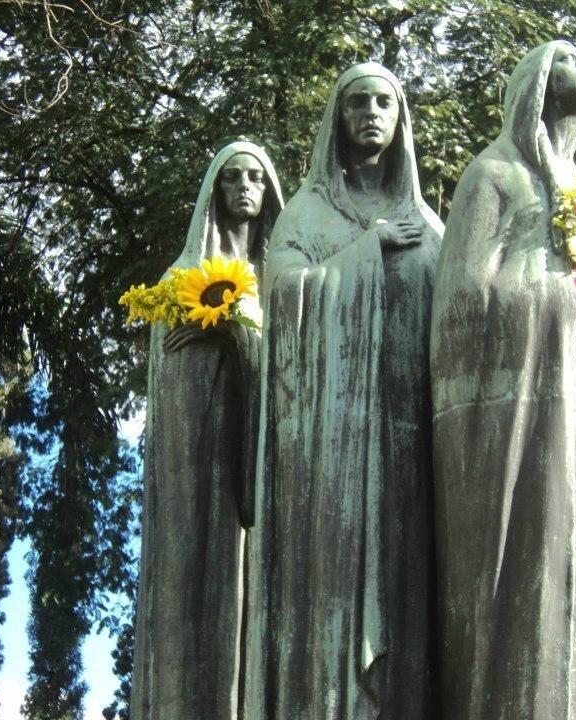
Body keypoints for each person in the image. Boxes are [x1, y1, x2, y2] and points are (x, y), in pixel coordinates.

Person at [429, 40, 576, 720]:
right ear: (539, 86)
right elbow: (460, 301)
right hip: (515, 414)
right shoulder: (493, 176)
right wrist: (561, 296)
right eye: (574, 61)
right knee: (531, 578)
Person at [244, 63, 442, 720]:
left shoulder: (431, 225)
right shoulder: (304, 213)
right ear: (338, 118)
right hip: (329, 452)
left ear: (400, 118)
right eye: (357, 102)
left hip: (413, 450)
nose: (371, 112)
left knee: (413, 604)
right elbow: (282, 296)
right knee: (327, 607)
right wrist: (367, 252)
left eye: (385, 101)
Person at [130, 141, 283, 720]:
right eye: (231, 178)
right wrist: (228, 336)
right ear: (214, 192)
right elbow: (170, 376)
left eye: (255, 178)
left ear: (268, 193)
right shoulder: (181, 278)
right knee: (201, 584)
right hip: (202, 468)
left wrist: (241, 335)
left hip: (263, 464)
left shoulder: (286, 277)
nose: (244, 186)